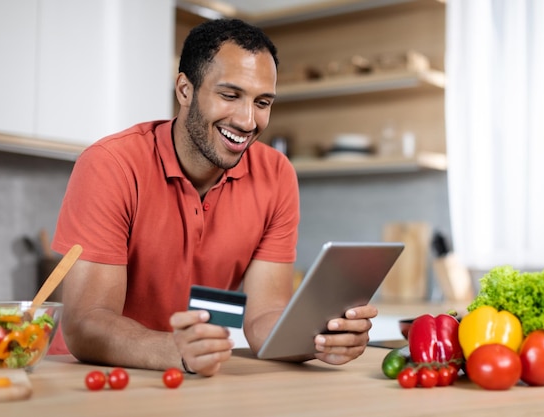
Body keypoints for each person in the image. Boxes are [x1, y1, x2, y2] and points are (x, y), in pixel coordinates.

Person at [51, 18, 377, 377]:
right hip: (90, 378)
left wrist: (319, 340)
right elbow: (86, 323)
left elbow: (264, 317)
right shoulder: (111, 165)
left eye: (263, 102)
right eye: (230, 95)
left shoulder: (276, 176)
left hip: (196, 377)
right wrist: (174, 348)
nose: (248, 120)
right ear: (184, 89)